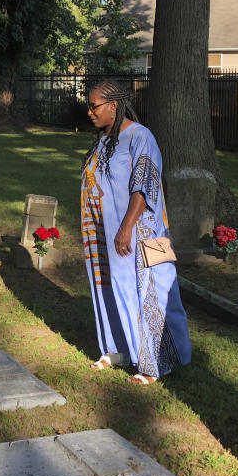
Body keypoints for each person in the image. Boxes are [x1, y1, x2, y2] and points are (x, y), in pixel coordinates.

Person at [80, 80, 191, 384]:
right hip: (104, 233)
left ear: (113, 106)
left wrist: (126, 228)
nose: (89, 112)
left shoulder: (141, 137)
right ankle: (117, 348)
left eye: (94, 106)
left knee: (147, 291)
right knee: (110, 287)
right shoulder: (104, 139)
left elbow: (145, 186)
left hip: (139, 233)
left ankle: (156, 362)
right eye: (88, 105)